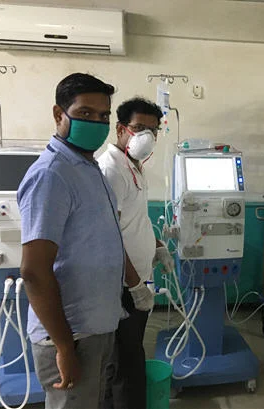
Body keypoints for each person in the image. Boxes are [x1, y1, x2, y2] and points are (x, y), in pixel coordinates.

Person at [18, 73, 152, 409]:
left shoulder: (88, 169)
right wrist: (63, 346)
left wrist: (134, 285)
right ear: (58, 114)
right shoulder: (51, 175)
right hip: (72, 333)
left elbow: (106, 238)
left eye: (103, 115)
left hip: (98, 325)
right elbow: (34, 271)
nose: (96, 122)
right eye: (85, 114)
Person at [97, 97, 174, 409]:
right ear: (120, 129)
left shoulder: (135, 167)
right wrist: (135, 285)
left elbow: (135, 221)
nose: (147, 137)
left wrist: (158, 247)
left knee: (132, 354)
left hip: (138, 278)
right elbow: (109, 237)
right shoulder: (110, 170)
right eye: (140, 128)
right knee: (124, 362)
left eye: (153, 131)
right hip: (123, 286)